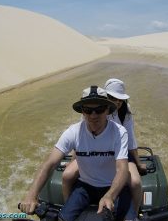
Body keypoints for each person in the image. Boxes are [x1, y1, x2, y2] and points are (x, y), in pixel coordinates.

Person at [19, 85, 137, 221]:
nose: (93, 115)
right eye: (88, 110)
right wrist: (32, 195)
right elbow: (49, 164)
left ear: (107, 110)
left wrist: (110, 195)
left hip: (114, 187)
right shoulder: (73, 132)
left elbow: (122, 169)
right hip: (85, 187)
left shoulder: (119, 132)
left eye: (99, 110)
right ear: (82, 111)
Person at [62, 78, 146, 213]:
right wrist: (73, 160)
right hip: (93, 152)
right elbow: (81, 138)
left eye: (120, 99)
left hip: (120, 153)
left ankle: (134, 214)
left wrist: (138, 162)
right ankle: (68, 207)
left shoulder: (125, 112)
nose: (118, 102)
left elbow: (130, 139)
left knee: (135, 182)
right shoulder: (91, 111)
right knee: (67, 175)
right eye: (113, 98)